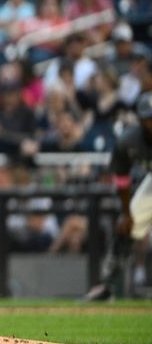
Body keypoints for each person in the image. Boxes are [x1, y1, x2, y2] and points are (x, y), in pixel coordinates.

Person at [84, 91, 152, 301]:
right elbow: (122, 178)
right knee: (127, 225)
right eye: (148, 119)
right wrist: (126, 212)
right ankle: (107, 286)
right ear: (140, 120)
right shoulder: (129, 140)